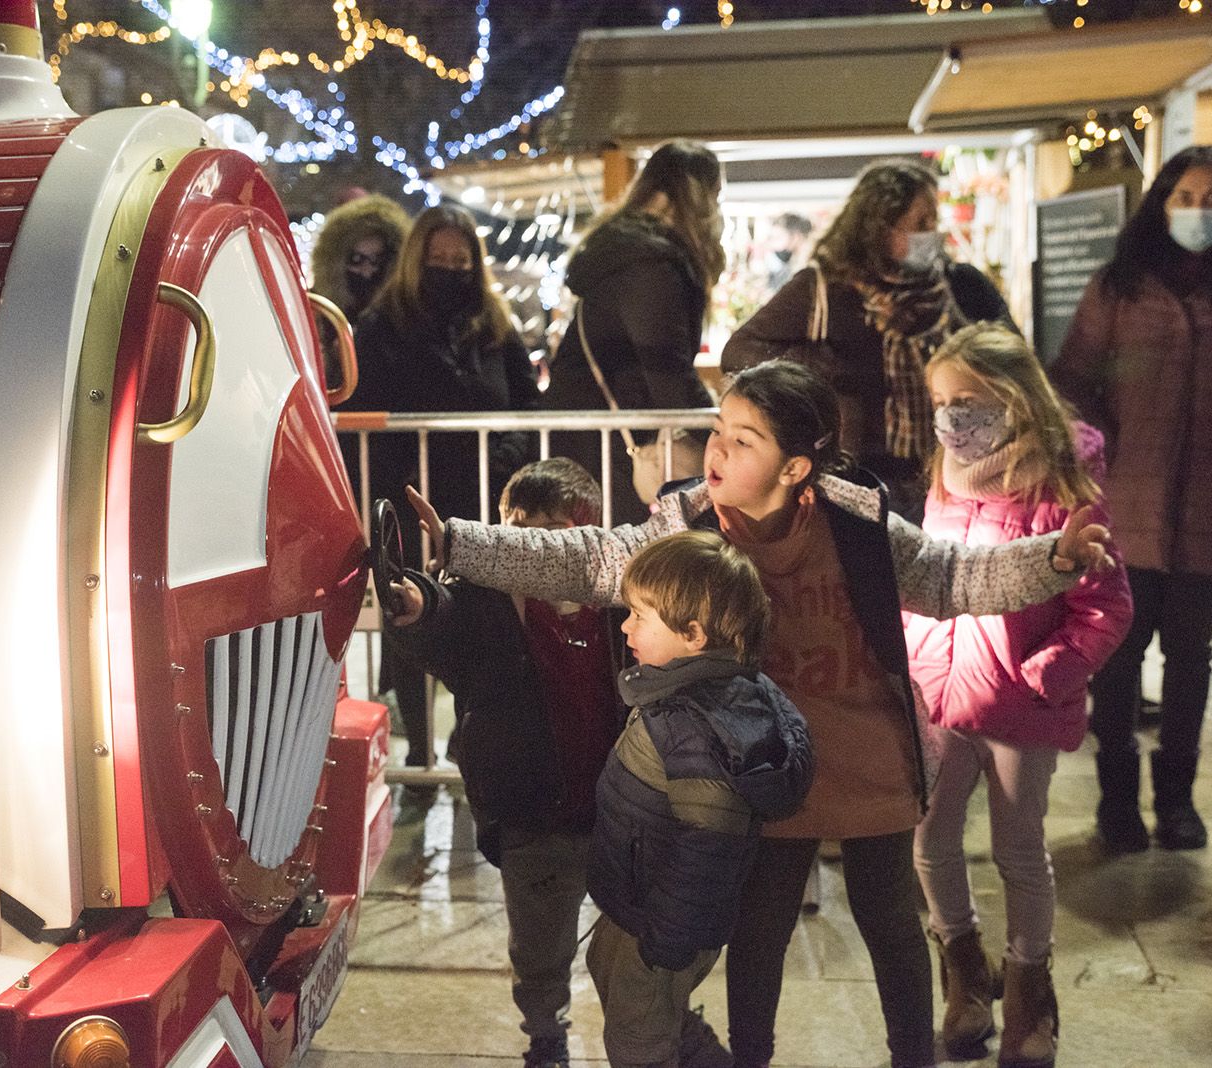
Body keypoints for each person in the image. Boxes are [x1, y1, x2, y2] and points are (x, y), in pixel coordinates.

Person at [404, 360, 1116, 1068]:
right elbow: (593, 560)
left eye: (745, 440)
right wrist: (462, 544)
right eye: (719, 430)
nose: (718, 449)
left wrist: (1052, 559)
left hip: (872, 766)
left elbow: (949, 574)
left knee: (895, 929)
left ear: (797, 467)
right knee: (758, 935)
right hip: (764, 770)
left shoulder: (857, 524)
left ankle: (911, 1057)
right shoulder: (685, 525)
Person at [1049, 145, 1212, 853]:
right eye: (1185, 196)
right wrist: (1105, 448)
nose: (1198, 210)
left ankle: (1179, 802)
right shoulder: (1120, 284)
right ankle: (1117, 801)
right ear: (1162, 203)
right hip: (1126, 506)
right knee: (1119, 658)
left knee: (1191, 658)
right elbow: (1073, 377)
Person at [906, 324, 1133, 1068]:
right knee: (931, 841)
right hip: (940, 696)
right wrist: (915, 656)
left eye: (965, 400)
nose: (949, 417)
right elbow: (933, 575)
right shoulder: (947, 473)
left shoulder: (1064, 486)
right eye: (940, 401)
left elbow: (1106, 605)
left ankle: (1031, 994)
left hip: (1018, 707)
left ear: (1012, 396)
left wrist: (1049, 674)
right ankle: (966, 979)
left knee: (1018, 850)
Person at [381, 459, 627, 1068]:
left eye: (539, 530)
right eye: (511, 527)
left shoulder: (626, 602)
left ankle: (647, 1032)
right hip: (532, 809)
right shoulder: (488, 602)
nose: (521, 543)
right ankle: (546, 1036)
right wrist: (418, 606)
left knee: (639, 940)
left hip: (625, 811)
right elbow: (445, 617)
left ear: (583, 530)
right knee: (541, 946)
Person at [586, 530, 813, 1068]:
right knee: (626, 993)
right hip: (638, 906)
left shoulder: (698, 729)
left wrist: (666, 944)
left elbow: (707, 851)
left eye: (640, 616)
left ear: (693, 634)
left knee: (639, 1043)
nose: (625, 627)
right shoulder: (678, 694)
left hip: (661, 926)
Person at [343, 203, 539, 767]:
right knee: (413, 622)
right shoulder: (384, 328)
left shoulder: (495, 326)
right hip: (413, 499)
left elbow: (525, 402)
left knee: (485, 620)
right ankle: (421, 751)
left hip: (485, 498)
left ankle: (469, 743)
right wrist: (395, 481)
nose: (450, 270)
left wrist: (506, 456)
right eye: (438, 259)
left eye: (460, 259)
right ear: (416, 259)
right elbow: (367, 414)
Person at [721, 159, 1011, 523]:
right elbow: (739, 351)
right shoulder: (824, 290)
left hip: (953, 470)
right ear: (880, 227)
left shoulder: (960, 285)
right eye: (921, 222)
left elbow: (1012, 357)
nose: (933, 232)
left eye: (934, 220)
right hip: (859, 476)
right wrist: (818, 369)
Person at [547, 140, 724, 525]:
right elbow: (667, 371)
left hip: (589, 439)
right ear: (696, 198)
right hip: (609, 450)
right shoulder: (649, 264)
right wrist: (724, 431)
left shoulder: (624, 254)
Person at [310, 192, 411, 385]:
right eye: (357, 260)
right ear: (338, 261)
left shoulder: (403, 312)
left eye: (377, 260)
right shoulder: (319, 312)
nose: (367, 271)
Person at [765, 211, 813, 292]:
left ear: (796, 237)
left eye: (778, 238)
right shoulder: (793, 261)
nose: (772, 245)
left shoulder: (808, 265)